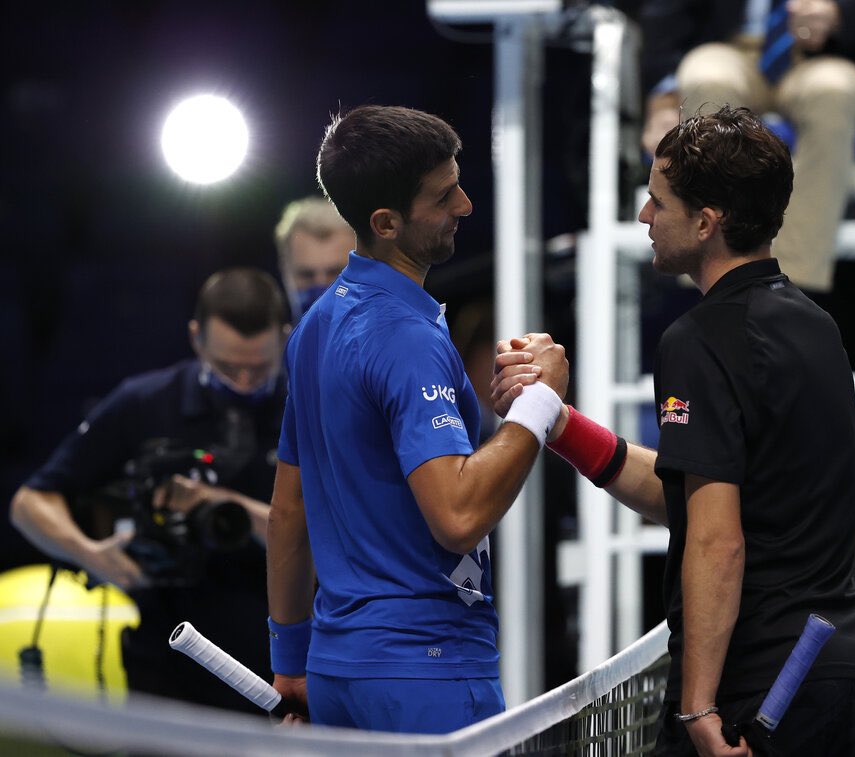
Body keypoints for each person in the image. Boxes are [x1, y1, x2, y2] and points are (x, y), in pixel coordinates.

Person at [493, 106, 855, 756]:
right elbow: (693, 490)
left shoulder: (699, 341)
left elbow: (716, 538)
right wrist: (557, 423)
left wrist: (698, 705)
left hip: (759, 689)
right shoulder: (816, 327)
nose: (646, 217)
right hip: (846, 673)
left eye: (658, 201)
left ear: (707, 222)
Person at [266, 104, 569, 734]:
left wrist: (290, 661)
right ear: (386, 222)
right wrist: (541, 406)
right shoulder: (406, 337)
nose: (464, 204)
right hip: (426, 673)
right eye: (443, 196)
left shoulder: (314, 327)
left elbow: (288, 513)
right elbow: (457, 517)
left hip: (337, 672)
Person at [9, 267, 291, 713]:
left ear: (285, 337)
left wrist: (227, 505)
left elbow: (334, 533)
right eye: (226, 367)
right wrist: (91, 553)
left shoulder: (313, 402)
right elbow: (31, 502)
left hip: (286, 659)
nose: (242, 382)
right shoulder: (145, 402)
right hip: (166, 659)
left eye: (258, 369)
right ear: (196, 338)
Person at [637, 0, 855, 303]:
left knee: (835, 92)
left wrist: (839, 13)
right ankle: (714, 285)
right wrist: (662, 101)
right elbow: (665, 14)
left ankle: (785, 296)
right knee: (706, 77)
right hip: (732, 48)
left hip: (828, 56)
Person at [274, 195, 356, 323]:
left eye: (335, 273)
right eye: (306, 275)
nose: (321, 285)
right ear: (285, 271)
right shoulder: (268, 342)